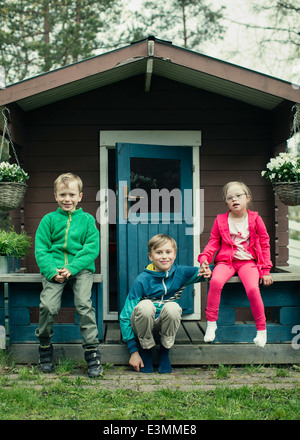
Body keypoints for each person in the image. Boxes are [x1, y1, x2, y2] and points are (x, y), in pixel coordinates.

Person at [35, 173, 102, 377]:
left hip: (80, 269)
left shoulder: (88, 220)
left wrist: (72, 267)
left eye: (71, 194)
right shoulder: (49, 220)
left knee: (83, 304)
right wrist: (51, 272)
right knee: (48, 305)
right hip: (54, 270)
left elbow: (91, 248)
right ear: (55, 196)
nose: (67, 199)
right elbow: (41, 249)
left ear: (80, 196)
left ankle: (92, 351)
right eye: (62, 194)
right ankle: (45, 346)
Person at [119, 234, 211, 374]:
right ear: (150, 256)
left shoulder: (181, 273)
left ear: (174, 254)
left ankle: (164, 352)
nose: (164, 256)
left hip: (163, 327)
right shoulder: (142, 280)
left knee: (173, 307)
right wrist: (133, 352)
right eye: (159, 252)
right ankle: (146, 351)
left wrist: (209, 269)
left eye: (168, 252)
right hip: (143, 327)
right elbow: (125, 316)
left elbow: (206, 273)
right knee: (146, 306)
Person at [198, 181, 273, 347]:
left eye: (238, 196)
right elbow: (212, 244)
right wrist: (204, 259)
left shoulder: (255, 219)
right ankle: (211, 324)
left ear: (247, 198)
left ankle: (261, 330)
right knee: (215, 281)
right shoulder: (220, 221)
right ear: (226, 202)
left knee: (253, 288)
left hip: (248, 262)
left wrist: (266, 270)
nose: (234, 199)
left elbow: (265, 243)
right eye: (230, 197)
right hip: (226, 262)